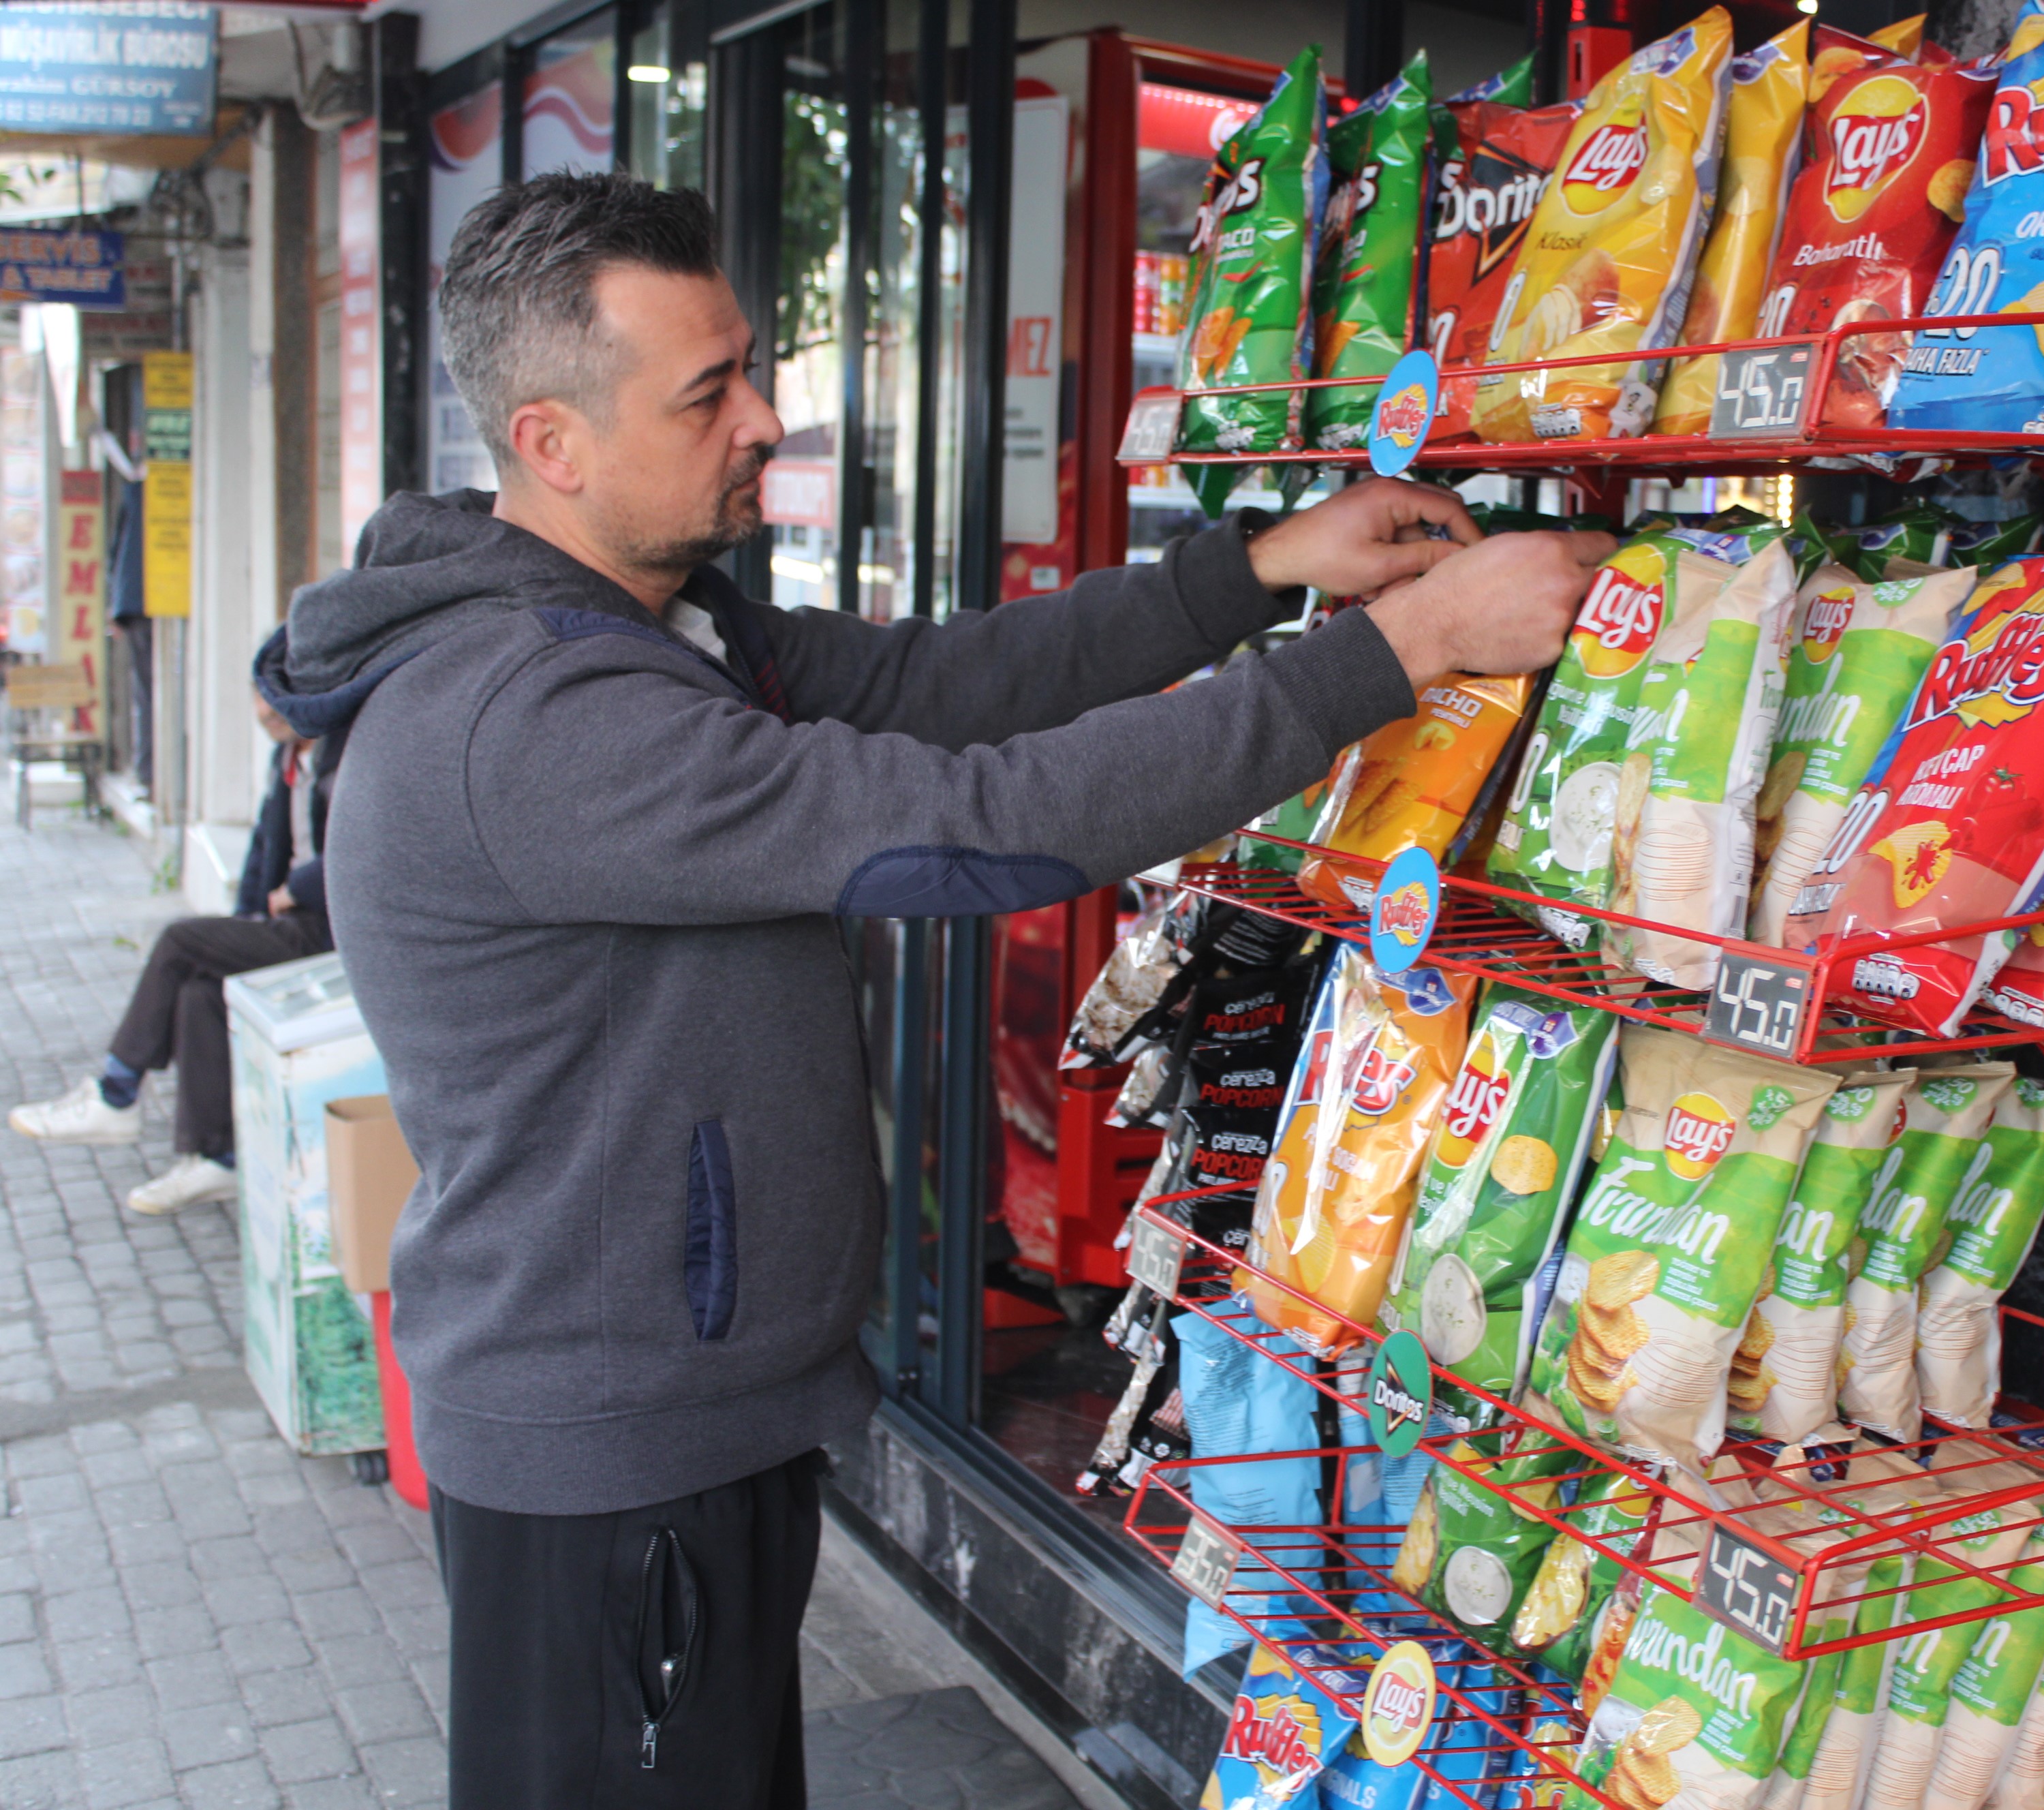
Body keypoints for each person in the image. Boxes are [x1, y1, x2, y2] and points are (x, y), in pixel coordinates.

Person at [256, 172, 1609, 1809]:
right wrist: (1389, 656)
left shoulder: (645, 626)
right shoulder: (536, 716)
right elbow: (975, 829)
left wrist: (1252, 570)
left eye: (750, 364)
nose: (762, 418)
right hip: (611, 1451)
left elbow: (935, 686)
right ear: (552, 444)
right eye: (708, 393)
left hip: (675, 1415)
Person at [10, 673, 341, 1214]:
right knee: (199, 990)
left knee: (179, 940)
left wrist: (293, 890)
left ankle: (117, 1090)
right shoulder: (283, 761)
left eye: (269, 696)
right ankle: (216, 1157)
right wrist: (246, 926)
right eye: (256, 696)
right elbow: (262, 848)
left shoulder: (341, 753)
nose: (260, 710)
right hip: (284, 925)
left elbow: (368, 842)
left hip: (327, 931)